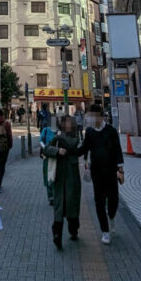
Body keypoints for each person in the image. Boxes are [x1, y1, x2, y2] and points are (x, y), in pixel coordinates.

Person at [79, 104, 123, 244]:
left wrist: (120, 168)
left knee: (113, 200)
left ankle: (111, 217)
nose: (90, 119)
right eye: (89, 116)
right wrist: (69, 151)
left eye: (92, 116)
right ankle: (105, 231)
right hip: (96, 172)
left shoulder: (111, 131)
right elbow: (84, 148)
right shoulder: (90, 132)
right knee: (99, 202)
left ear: (101, 116)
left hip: (111, 171)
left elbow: (117, 150)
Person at [44, 115, 82, 249]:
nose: (67, 126)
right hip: (60, 177)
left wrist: (59, 141)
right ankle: (57, 235)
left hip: (71, 177)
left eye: (68, 123)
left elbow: (72, 146)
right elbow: (46, 150)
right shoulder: (58, 138)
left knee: (71, 206)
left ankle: (73, 230)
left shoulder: (74, 138)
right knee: (60, 207)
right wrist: (57, 150)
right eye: (64, 123)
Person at [39, 113, 58, 204]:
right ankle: (50, 196)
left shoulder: (59, 131)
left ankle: (55, 195)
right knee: (47, 177)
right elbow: (41, 141)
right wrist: (46, 149)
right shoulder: (46, 130)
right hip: (47, 157)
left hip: (57, 157)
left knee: (55, 176)